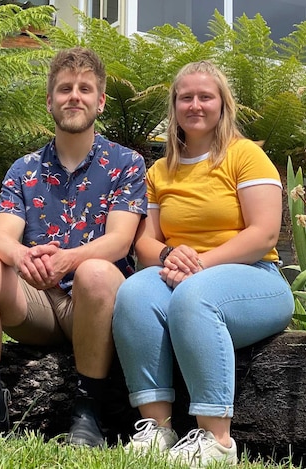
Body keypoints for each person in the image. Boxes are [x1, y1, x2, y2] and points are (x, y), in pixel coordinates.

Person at [0, 47, 147, 448]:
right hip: (37, 302)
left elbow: (121, 241)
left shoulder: (127, 163)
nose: (75, 96)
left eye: (85, 88)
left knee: (95, 271)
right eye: (64, 88)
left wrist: (67, 260)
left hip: (94, 306)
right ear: (50, 101)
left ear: (100, 101)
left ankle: (88, 412)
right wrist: (22, 257)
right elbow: (0, 238)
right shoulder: (24, 169)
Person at [112, 60, 294, 467]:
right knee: (134, 292)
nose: (195, 105)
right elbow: (144, 239)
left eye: (205, 96)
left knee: (194, 296)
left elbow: (264, 233)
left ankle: (217, 440)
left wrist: (200, 265)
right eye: (186, 97)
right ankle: (157, 428)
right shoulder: (160, 170)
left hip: (254, 280)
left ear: (223, 105)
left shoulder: (246, 156)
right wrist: (165, 255)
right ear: (174, 106)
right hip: (177, 275)